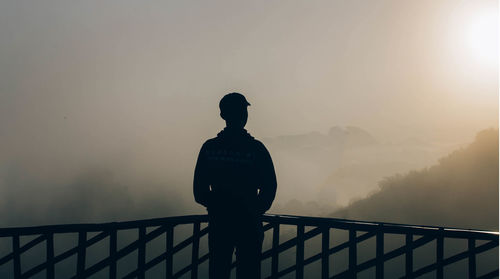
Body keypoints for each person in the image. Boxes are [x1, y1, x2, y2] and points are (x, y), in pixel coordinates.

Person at [193, 92, 277, 279]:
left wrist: (218, 206)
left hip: (219, 224)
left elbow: (199, 191)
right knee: (249, 272)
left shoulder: (210, 148)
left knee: (218, 270)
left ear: (223, 115)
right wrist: (252, 210)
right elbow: (269, 187)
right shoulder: (256, 149)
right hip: (249, 226)